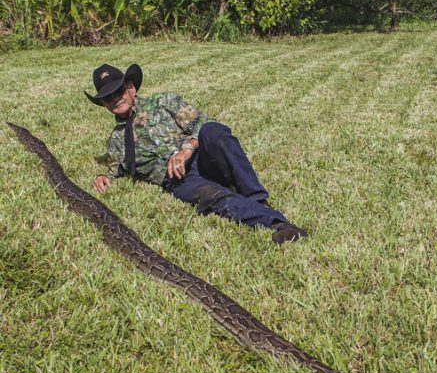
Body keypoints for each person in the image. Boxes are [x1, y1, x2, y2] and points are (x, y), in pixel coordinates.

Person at [85, 63, 308, 244]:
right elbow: (114, 170)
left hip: (202, 157)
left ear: (131, 88)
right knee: (213, 196)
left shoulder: (164, 102)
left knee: (215, 132)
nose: (116, 98)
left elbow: (204, 122)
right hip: (177, 180)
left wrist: (187, 149)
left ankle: (257, 199)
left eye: (119, 91)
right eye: (108, 97)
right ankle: (278, 224)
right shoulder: (116, 140)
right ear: (103, 104)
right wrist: (104, 176)